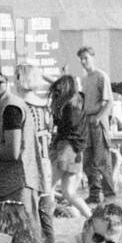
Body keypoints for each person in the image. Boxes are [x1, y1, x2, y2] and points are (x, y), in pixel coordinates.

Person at [0, 70, 45, 243]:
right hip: (11, 183)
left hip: (19, 183)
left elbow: (13, 151)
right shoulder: (4, 108)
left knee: (25, 238)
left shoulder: (12, 108)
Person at [15, 63, 57, 243]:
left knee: (30, 209)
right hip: (45, 159)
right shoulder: (44, 106)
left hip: (30, 162)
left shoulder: (21, 106)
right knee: (46, 206)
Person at [48, 73, 92, 220]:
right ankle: (91, 218)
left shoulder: (68, 107)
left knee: (48, 187)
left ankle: (45, 219)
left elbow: (62, 127)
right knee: (68, 192)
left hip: (66, 149)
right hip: (76, 150)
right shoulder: (80, 100)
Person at [77, 46, 117, 204]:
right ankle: (94, 192)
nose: (83, 61)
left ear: (92, 58)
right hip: (87, 121)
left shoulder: (101, 76)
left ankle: (109, 194)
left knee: (102, 159)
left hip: (98, 123)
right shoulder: (85, 79)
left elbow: (109, 102)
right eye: (81, 59)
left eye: (86, 58)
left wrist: (99, 117)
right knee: (87, 160)